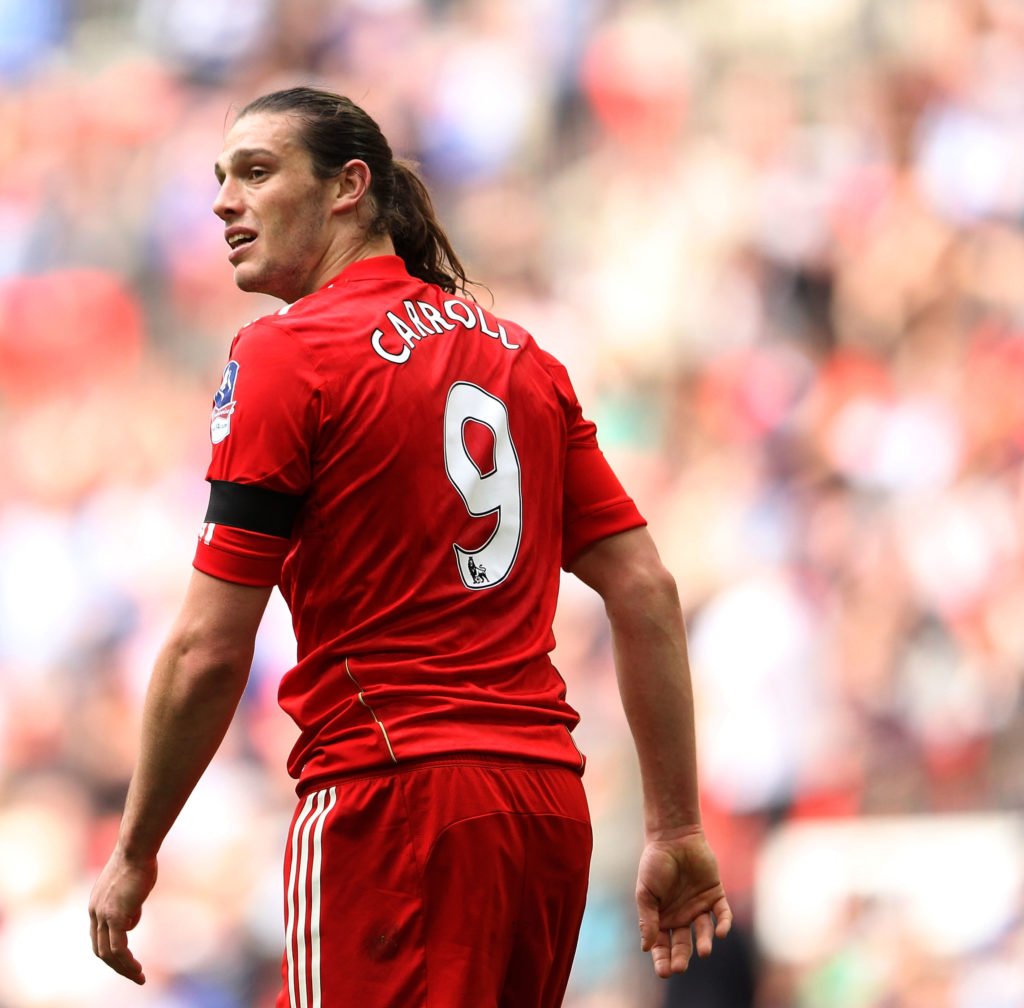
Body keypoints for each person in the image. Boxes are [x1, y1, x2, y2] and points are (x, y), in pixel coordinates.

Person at [89, 86, 731, 1007]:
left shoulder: (288, 353)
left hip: (391, 802)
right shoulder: (522, 358)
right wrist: (675, 826)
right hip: (543, 810)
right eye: (221, 179)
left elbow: (206, 648)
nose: (225, 202)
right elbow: (645, 589)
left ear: (350, 186)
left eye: (257, 173)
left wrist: (135, 850)